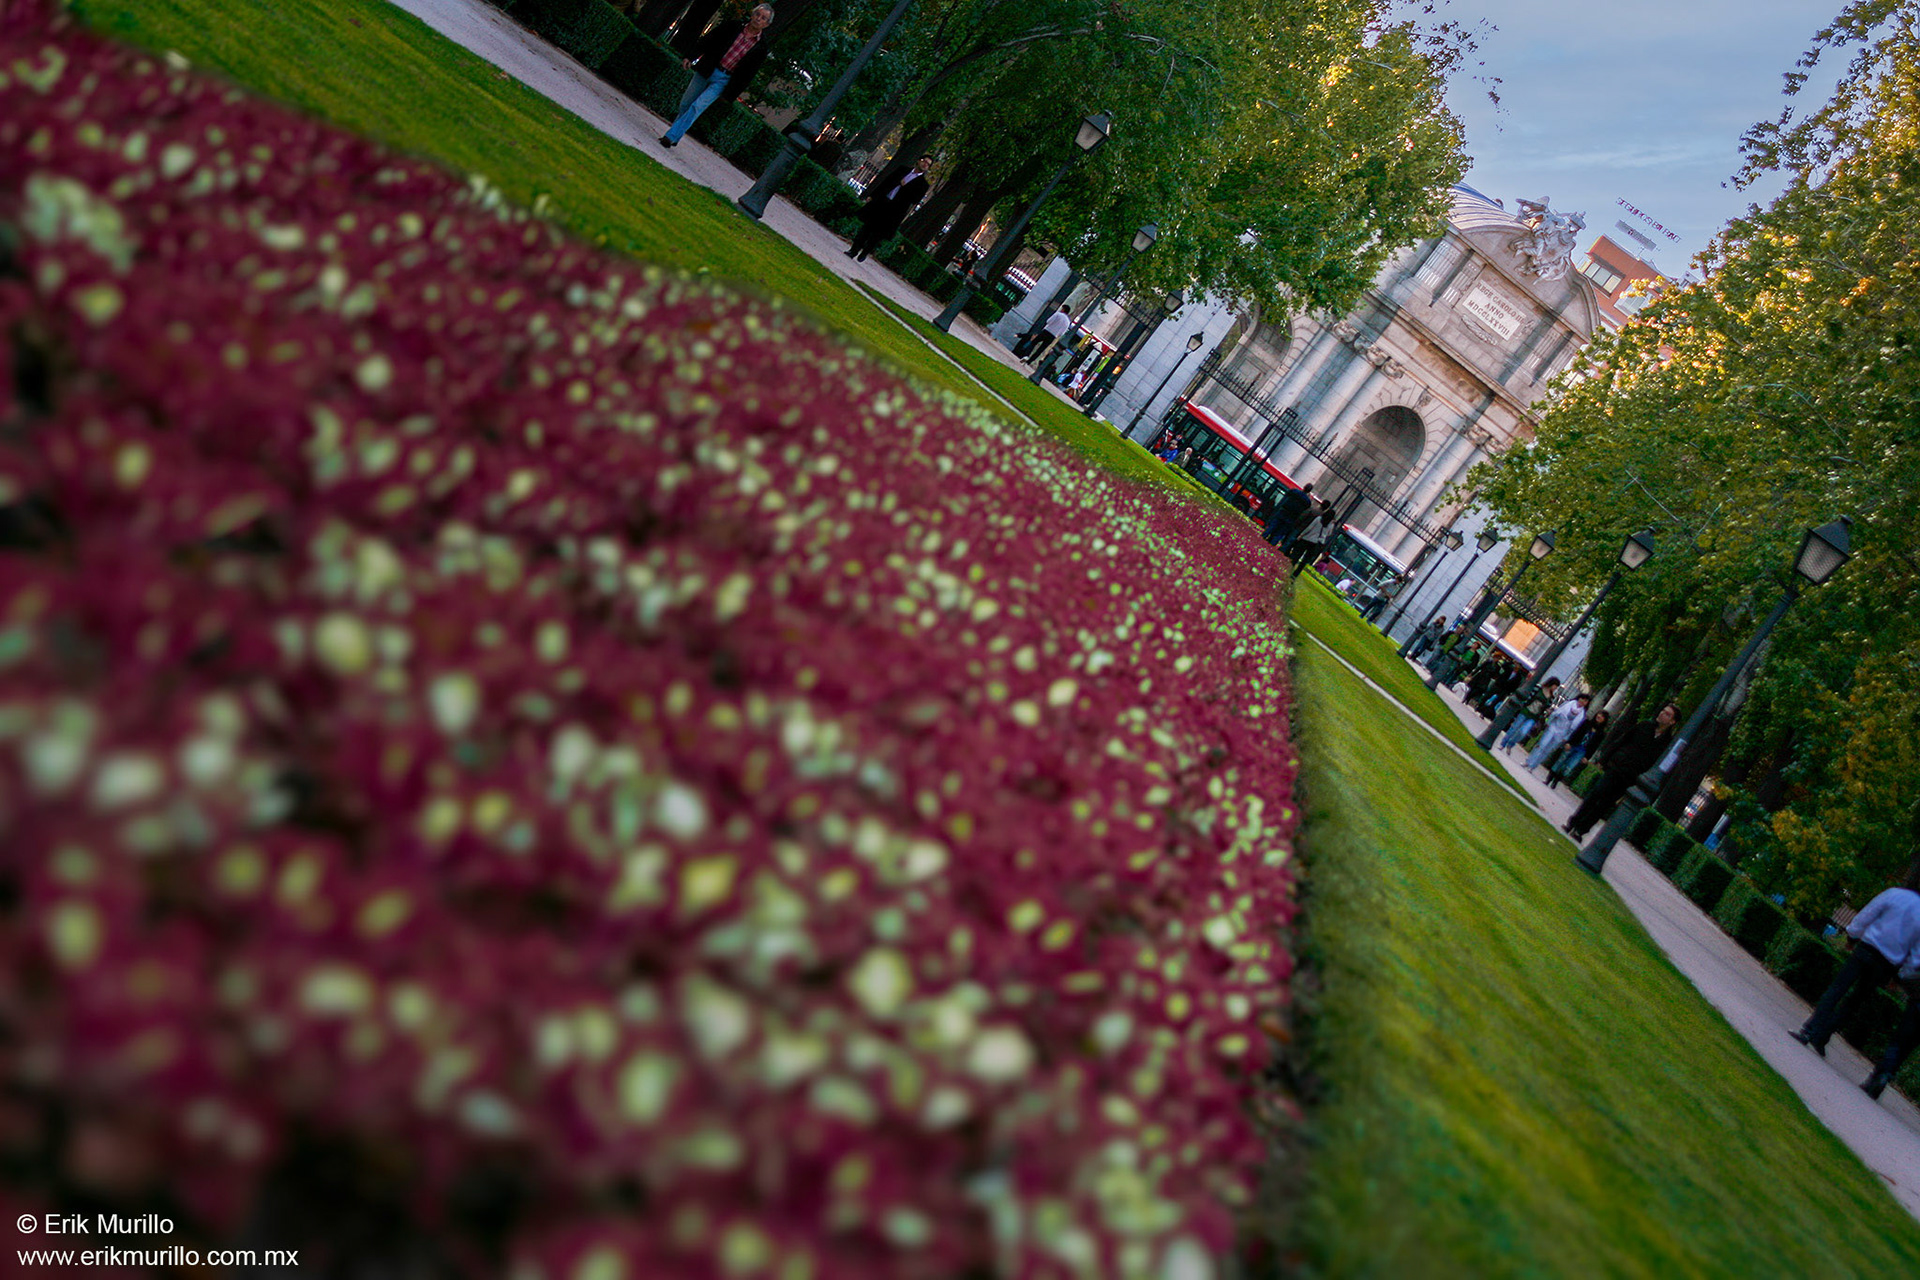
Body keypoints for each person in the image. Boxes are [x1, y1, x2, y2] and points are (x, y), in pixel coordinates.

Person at [1790, 874, 1920, 1096]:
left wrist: (1852, 935)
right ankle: (1824, 1034)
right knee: (1855, 1001)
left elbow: (1868, 913)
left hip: (1866, 948)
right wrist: (1899, 976)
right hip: (1886, 964)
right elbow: (1916, 956)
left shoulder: (1894, 895)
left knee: (1837, 989)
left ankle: (1809, 1029)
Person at [661, 4, 775, 148]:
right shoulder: (733, 26)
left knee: (697, 106)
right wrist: (691, 56)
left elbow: (749, 74)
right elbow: (709, 39)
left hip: (724, 79)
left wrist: (732, 94)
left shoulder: (761, 47)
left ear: (767, 24)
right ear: (752, 14)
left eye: (763, 18)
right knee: (686, 103)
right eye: (757, 14)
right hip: (708, 68)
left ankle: (670, 137)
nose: (758, 19)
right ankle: (676, 134)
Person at [1562, 702, 1679, 840]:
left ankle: (1581, 830)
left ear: (1672, 721)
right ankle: (1573, 822)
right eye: (1663, 710)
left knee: (1605, 804)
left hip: (1631, 777)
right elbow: (1622, 740)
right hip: (1617, 767)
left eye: (1667, 714)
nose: (1662, 714)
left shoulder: (1666, 743)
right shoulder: (1644, 726)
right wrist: (1604, 760)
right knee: (1597, 792)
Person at [845, 154, 932, 261]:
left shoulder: (923, 184)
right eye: (924, 161)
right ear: (919, 160)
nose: (925, 165)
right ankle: (853, 250)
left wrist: (905, 187)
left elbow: (914, 200)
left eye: (928, 164)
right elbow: (886, 182)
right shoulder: (902, 170)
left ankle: (865, 252)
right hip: (882, 202)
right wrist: (873, 195)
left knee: (877, 234)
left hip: (894, 211)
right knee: (866, 228)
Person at [1528, 691, 1590, 771]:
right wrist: (1549, 722)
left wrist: (1566, 737)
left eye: (1585, 701)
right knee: (1542, 744)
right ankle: (1529, 761)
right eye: (1582, 699)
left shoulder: (1582, 715)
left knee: (1547, 750)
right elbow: (1557, 712)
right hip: (1554, 726)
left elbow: (1574, 728)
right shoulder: (1569, 703)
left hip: (1562, 733)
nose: (1583, 702)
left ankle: (1533, 766)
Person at [1546, 708, 1607, 789]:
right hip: (1573, 745)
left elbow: (1595, 746)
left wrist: (1587, 757)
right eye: (1599, 714)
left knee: (1568, 767)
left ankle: (1556, 780)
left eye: (1602, 716)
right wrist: (1569, 743)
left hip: (1581, 751)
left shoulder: (1601, 733)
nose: (1599, 716)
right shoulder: (1587, 723)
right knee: (1560, 761)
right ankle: (1549, 779)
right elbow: (1576, 732)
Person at [1499, 677, 1560, 751]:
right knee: (1514, 727)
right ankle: (1503, 743)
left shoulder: (1551, 698)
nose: (1555, 688)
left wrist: (1547, 711)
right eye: (1555, 686)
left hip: (1534, 716)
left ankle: (1511, 743)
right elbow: (1530, 696)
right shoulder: (1539, 688)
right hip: (1526, 710)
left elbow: (1547, 707)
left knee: (1523, 732)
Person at [1288, 500, 1336, 580]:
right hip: (1317, 544)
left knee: (1297, 554)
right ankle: (1295, 574)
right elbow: (1328, 534)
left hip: (1308, 539)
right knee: (1305, 560)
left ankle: (1290, 568)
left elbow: (1310, 528)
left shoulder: (1319, 519)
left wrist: (1301, 535)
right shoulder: (1331, 525)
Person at [1263, 483, 1312, 547]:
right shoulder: (1307, 501)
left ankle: (1262, 537)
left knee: (1272, 526)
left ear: (1304, 486)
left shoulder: (1295, 491)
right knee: (1280, 533)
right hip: (1292, 518)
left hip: (1283, 512)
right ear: (1309, 491)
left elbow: (1288, 493)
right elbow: (1307, 507)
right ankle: (1271, 545)